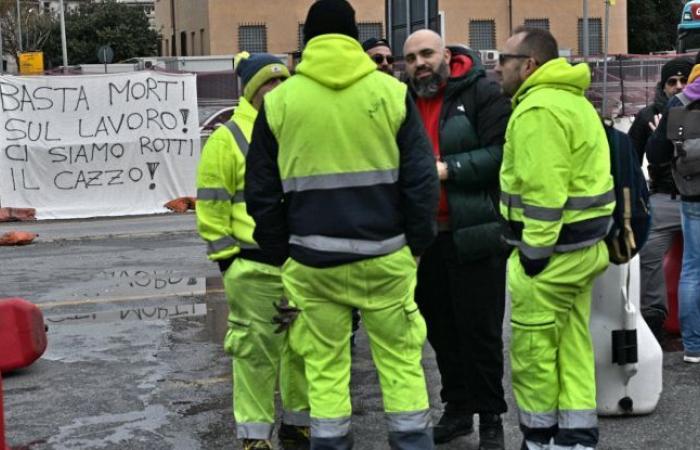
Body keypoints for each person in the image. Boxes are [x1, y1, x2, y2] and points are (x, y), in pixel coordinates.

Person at [244, 1, 440, 449]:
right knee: (401, 364)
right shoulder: (390, 93)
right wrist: (417, 243)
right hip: (386, 256)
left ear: (306, 41)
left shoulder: (280, 102)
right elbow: (421, 179)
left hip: (312, 263)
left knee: (325, 369)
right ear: (354, 37)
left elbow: (259, 192)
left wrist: (283, 251)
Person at [495, 27, 615, 450]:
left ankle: (539, 438)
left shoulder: (537, 110)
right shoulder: (572, 101)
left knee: (533, 352)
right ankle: (577, 436)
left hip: (549, 254)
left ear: (529, 65)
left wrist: (533, 253)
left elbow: (544, 193)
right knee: (572, 344)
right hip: (582, 248)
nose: (498, 67)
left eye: (504, 60)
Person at [402, 30, 510, 450]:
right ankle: (458, 410)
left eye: (426, 54)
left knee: (480, 332)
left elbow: (502, 153)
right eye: (410, 58)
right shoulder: (403, 99)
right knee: (441, 332)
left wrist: (449, 169)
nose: (419, 64)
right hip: (425, 239)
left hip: (475, 233)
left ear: (446, 54)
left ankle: (492, 418)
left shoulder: (483, 92)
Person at [195, 52, 309, 450]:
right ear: (251, 89)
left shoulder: (297, 127)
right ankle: (255, 437)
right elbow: (211, 206)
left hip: (299, 264)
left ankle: (299, 425)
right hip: (253, 266)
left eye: (283, 81)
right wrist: (228, 261)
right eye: (268, 82)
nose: (278, 89)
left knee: (302, 352)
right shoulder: (228, 138)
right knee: (255, 356)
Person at [630, 57, 693, 341]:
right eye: (672, 82)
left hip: (694, 197)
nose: (677, 86)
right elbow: (632, 158)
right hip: (664, 198)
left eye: (682, 80)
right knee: (648, 253)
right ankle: (654, 316)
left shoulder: (695, 110)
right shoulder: (647, 116)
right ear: (663, 85)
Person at [645, 51, 700, 364]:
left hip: (692, 194)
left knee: (693, 269)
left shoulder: (679, 102)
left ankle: (693, 348)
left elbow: (655, 154)